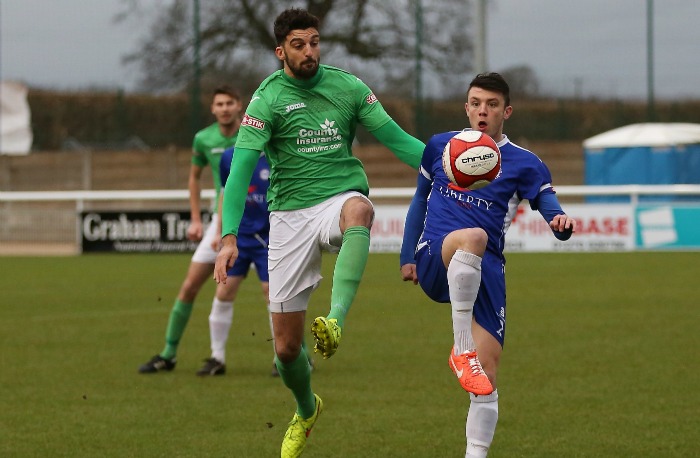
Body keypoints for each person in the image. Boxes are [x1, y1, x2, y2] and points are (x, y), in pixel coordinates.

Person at [213, 8, 425, 457]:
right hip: (288, 218)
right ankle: (307, 409)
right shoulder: (265, 100)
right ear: (280, 51)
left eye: (314, 41)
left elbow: (400, 141)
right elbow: (239, 175)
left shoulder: (348, 87)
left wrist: (450, 167)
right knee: (287, 351)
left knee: (359, 211)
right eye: (298, 44)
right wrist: (228, 236)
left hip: (336, 199)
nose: (309, 51)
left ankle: (336, 320)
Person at [400, 72, 576, 457]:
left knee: (487, 379)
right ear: (466, 107)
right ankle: (459, 348)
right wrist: (406, 255)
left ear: (506, 111)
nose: (483, 111)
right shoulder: (441, 146)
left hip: (487, 270)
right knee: (472, 236)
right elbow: (419, 199)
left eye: (492, 105)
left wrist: (559, 222)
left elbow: (549, 205)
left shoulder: (525, 163)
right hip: (436, 254)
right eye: (476, 103)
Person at [138, 85, 243, 374]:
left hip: (262, 221)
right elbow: (194, 178)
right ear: (213, 108)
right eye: (219, 103)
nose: (224, 108)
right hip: (221, 222)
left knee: (276, 291)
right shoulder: (204, 139)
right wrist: (197, 219)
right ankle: (168, 354)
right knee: (189, 286)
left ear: (239, 106)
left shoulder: (253, 132)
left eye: (229, 103)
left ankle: (298, 355)